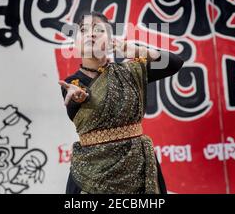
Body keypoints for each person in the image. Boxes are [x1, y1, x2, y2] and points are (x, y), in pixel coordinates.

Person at [58, 11, 184, 194]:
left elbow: (175, 63)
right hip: (92, 172)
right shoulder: (72, 84)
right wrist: (81, 98)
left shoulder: (130, 72)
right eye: (83, 30)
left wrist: (141, 51)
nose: (90, 34)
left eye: (98, 30)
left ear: (110, 42)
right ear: (75, 44)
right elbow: (76, 105)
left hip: (137, 167)